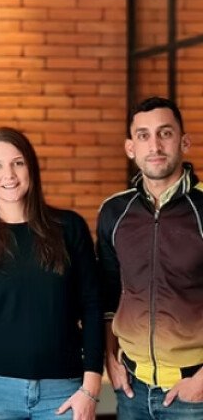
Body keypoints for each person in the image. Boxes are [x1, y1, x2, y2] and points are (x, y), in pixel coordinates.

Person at [0, 127, 103, 420]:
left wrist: (90, 389)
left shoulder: (69, 228)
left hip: (64, 392)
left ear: (31, 167)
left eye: (18, 163)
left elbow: (93, 307)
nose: (8, 174)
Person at [97, 96, 203, 419]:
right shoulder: (114, 212)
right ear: (130, 148)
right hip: (132, 388)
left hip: (194, 391)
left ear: (184, 142)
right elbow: (108, 294)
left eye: (165, 133)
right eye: (143, 135)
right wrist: (110, 359)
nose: (154, 145)